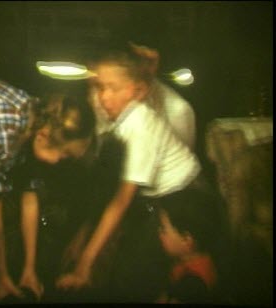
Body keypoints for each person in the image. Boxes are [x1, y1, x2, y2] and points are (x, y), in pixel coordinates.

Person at [55, 45, 203, 301]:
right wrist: (83, 237)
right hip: (156, 200)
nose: (104, 98)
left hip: (187, 201)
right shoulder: (120, 122)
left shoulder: (140, 124)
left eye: (113, 88)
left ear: (139, 91)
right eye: (100, 87)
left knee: (130, 277)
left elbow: (122, 200)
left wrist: (84, 267)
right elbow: (107, 191)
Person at [0, 72, 96, 303]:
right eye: (62, 155)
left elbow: (30, 198)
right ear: (43, 136)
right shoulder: (5, 131)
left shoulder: (38, 120)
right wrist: (1, 276)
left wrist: (29, 268)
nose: (58, 162)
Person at [89, 42, 196, 149]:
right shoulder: (102, 97)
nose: (144, 63)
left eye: (149, 59)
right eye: (135, 56)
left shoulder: (178, 111)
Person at [155, 189, 219, 304]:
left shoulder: (192, 286)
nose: (159, 232)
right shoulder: (199, 258)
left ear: (186, 240)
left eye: (163, 230)